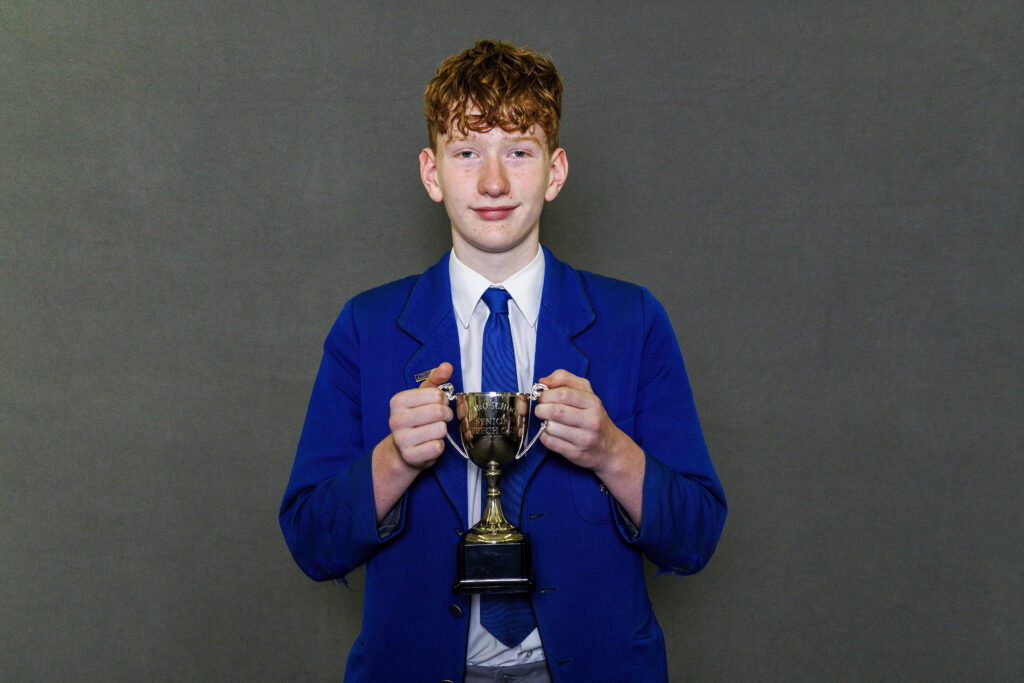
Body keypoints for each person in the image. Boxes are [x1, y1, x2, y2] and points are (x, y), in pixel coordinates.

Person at [280, 39, 726, 683]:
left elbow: (696, 539)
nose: (493, 182)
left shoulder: (634, 320)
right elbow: (311, 545)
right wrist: (392, 459)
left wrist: (610, 451)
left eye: (518, 152)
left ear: (556, 170)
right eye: (467, 153)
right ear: (432, 174)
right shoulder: (366, 326)